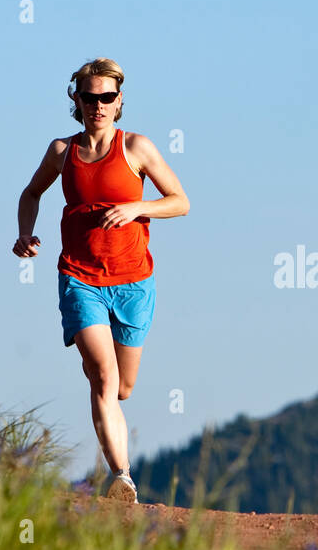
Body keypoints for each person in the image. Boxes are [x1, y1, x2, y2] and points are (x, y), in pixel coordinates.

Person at [13, 58, 190, 502]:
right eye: (89, 97)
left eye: (106, 98)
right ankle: (122, 478)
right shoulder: (61, 151)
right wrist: (24, 233)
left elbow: (180, 201)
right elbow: (32, 192)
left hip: (133, 280)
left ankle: (105, 396)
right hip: (79, 277)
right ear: (76, 99)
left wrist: (137, 208)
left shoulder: (136, 148)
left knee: (123, 388)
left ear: (119, 101)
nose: (98, 105)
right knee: (103, 378)